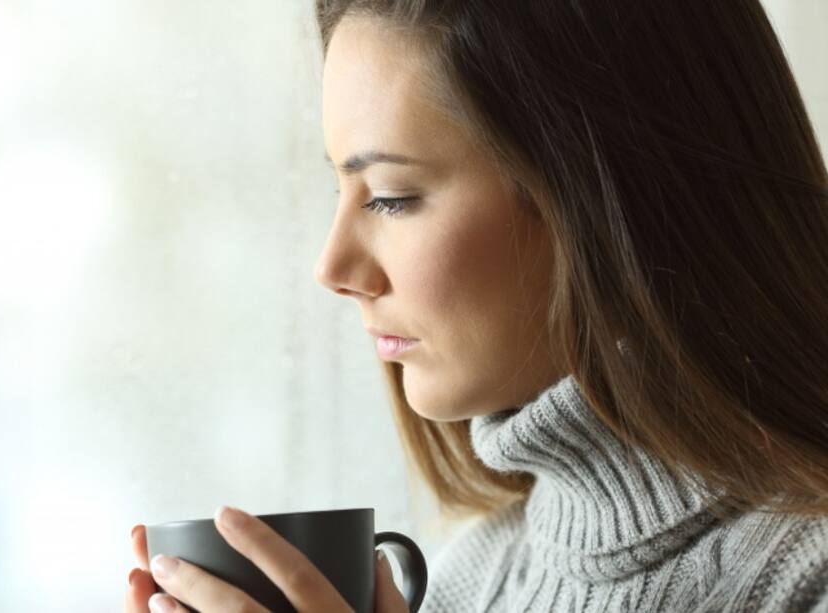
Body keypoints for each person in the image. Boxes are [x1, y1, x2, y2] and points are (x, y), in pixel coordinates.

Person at [124, 1, 828, 611]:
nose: (333, 267)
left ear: (603, 195)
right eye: (340, 189)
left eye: (392, 196)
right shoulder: (461, 580)